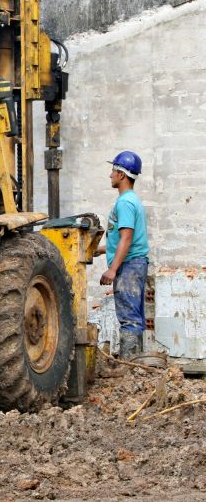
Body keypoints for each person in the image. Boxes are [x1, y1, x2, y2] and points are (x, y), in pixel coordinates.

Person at [95, 151, 149, 359]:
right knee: (134, 316)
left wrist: (112, 268)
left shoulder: (125, 203)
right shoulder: (131, 200)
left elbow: (126, 238)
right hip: (134, 263)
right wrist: (100, 251)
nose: (110, 175)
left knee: (129, 318)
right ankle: (138, 365)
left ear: (122, 175)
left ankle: (130, 367)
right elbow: (124, 240)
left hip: (128, 265)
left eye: (113, 170)